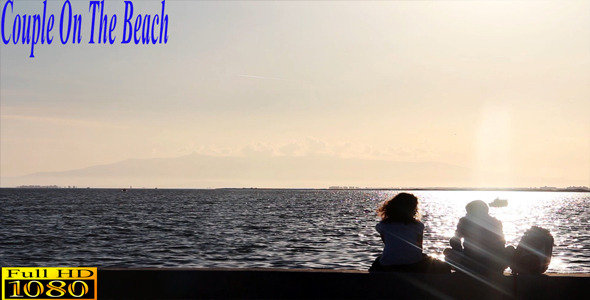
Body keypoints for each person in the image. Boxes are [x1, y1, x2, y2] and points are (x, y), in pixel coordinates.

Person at [369, 193, 450, 273]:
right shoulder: (418, 225)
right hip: (413, 264)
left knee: (377, 262)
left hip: (389, 264)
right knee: (443, 266)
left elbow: (387, 243)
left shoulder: (383, 225)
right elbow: (419, 247)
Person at [444, 200, 514, 275]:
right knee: (510, 249)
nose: (466, 214)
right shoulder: (497, 222)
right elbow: (501, 244)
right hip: (494, 265)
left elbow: (455, 240)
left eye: (468, 212)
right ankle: (502, 272)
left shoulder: (465, 221)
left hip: (470, 264)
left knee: (448, 252)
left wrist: (460, 252)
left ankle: (461, 270)